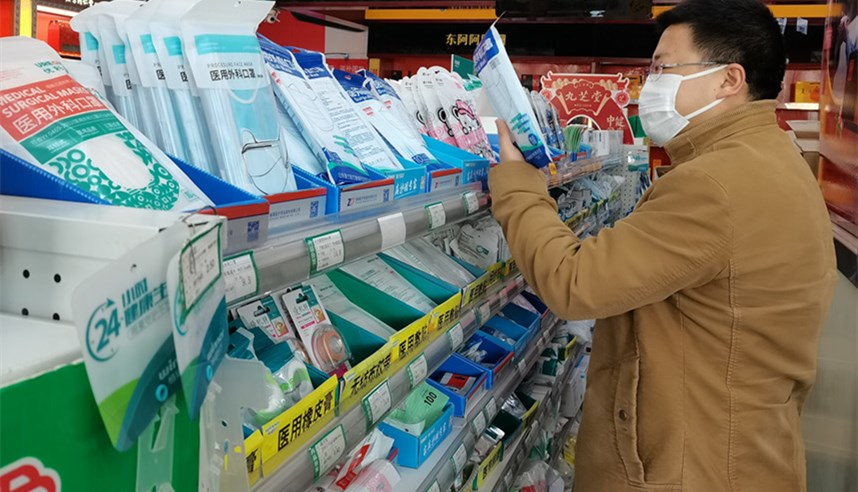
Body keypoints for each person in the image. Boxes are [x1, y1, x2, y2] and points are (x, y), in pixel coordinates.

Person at [488, 0, 837, 490]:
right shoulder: (772, 156)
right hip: (741, 450)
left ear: (728, 79)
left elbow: (574, 282)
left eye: (662, 68)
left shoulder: (716, 184)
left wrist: (518, 184)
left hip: (691, 469)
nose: (650, 84)